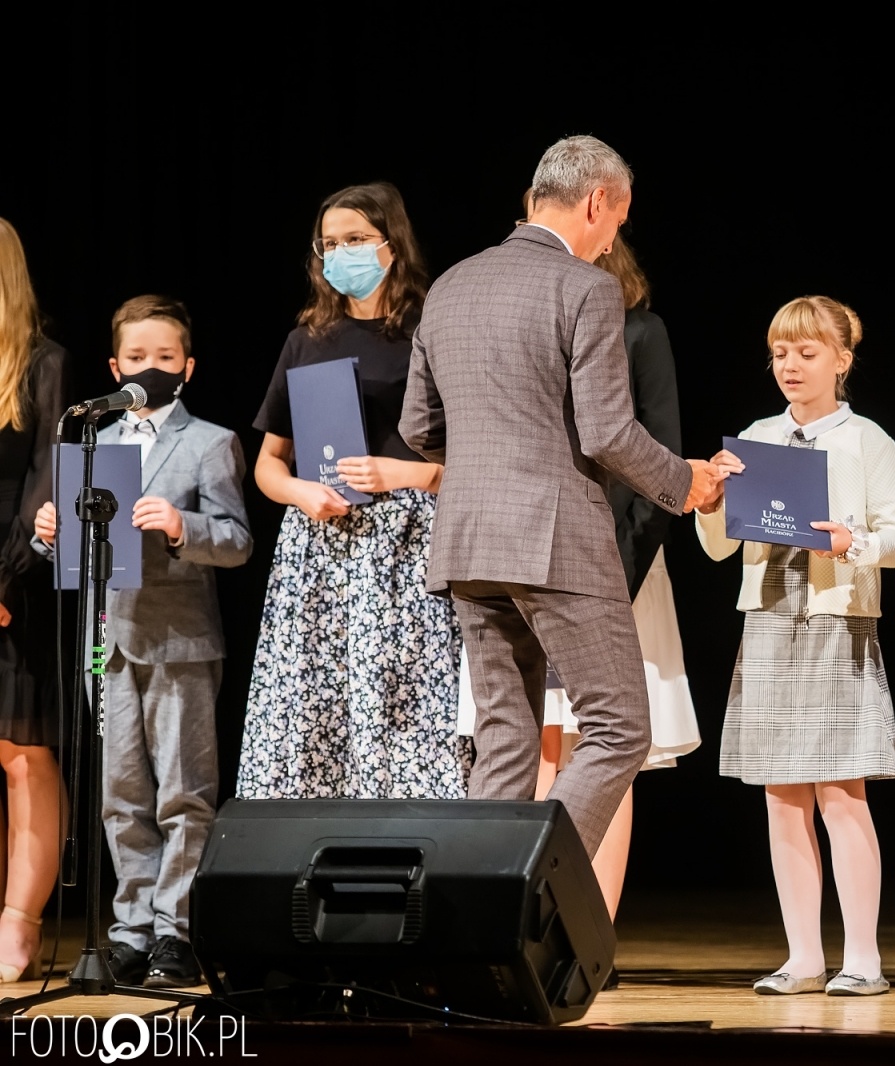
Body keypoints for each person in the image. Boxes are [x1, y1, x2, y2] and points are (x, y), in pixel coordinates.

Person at [399, 135, 721, 858]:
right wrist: (684, 483)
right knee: (618, 730)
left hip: (469, 541)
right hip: (556, 540)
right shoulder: (585, 287)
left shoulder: (451, 285)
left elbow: (417, 426)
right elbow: (608, 432)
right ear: (596, 201)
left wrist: (491, 459)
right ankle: (528, 885)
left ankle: (476, 921)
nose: (612, 243)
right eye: (618, 221)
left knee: (506, 738)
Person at [34, 296, 252, 988]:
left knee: (183, 793)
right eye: (137, 359)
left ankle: (176, 931)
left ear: (187, 367)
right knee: (119, 793)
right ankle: (129, 928)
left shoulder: (210, 442)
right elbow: (78, 552)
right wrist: (50, 537)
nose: (150, 368)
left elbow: (239, 541)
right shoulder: (96, 442)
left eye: (164, 358)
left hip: (181, 641)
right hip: (110, 639)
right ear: (114, 367)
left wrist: (183, 526)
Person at [698, 295, 895, 997]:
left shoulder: (868, 440)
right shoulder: (756, 437)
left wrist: (853, 542)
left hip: (834, 620)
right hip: (767, 619)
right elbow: (722, 546)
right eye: (781, 353)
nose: (790, 365)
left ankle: (862, 958)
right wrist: (709, 504)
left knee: (840, 792)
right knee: (780, 797)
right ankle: (802, 957)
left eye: (807, 352)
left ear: (842, 360)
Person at [238, 182, 468, 800]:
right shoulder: (308, 339)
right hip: (322, 550)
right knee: (318, 701)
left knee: (405, 700)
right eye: (330, 244)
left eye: (357, 240)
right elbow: (267, 465)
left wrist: (407, 474)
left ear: (393, 245)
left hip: (409, 544)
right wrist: (299, 494)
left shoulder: (432, 329)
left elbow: (475, 457)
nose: (340, 254)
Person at [531, 234, 700, 923]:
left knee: (609, 745)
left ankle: (590, 926)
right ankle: (534, 919)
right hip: (535, 565)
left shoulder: (640, 331)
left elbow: (658, 453)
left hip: (618, 563)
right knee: (544, 743)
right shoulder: (532, 330)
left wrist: (619, 572)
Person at [0, 219, 64, 984]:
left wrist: (8, 578)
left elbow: (45, 479)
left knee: (22, 756)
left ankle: (19, 921)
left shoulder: (42, 363)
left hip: (13, 579)